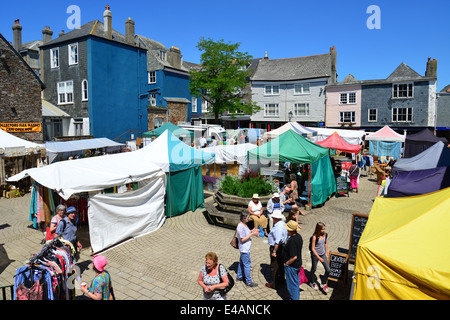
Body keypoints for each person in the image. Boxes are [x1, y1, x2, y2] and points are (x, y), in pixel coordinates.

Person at [236, 211, 260, 287]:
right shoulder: (240, 226)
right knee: (247, 264)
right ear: (243, 218)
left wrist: (252, 231)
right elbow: (242, 239)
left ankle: (239, 276)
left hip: (245, 248)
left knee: (242, 262)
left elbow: (246, 232)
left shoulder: (244, 224)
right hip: (244, 249)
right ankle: (248, 281)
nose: (249, 219)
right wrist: (252, 234)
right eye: (248, 217)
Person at [265, 210, 287, 290]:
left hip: (276, 247)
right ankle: (281, 280)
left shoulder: (278, 227)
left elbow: (277, 241)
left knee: (274, 266)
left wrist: (274, 251)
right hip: (282, 246)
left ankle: (274, 283)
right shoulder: (283, 224)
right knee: (280, 264)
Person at [282, 220, 303, 300]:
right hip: (297, 265)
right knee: (295, 283)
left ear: (291, 230)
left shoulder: (292, 240)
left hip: (292, 266)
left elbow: (294, 257)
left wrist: (287, 263)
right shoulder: (299, 237)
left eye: (288, 229)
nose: (286, 231)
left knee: (292, 285)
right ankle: (295, 297)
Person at [309, 222, 330, 293]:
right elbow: (313, 249)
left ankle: (323, 283)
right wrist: (319, 257)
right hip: (315, 255)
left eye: (324, 229)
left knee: (328, 270)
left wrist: (326, 253)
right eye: (322, 229)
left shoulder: (325, 235)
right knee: (314, 268)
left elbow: (326, 243)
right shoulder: (314, 237)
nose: (323, 231)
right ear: (318, 229)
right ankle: (312, 281)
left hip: (323, 254)